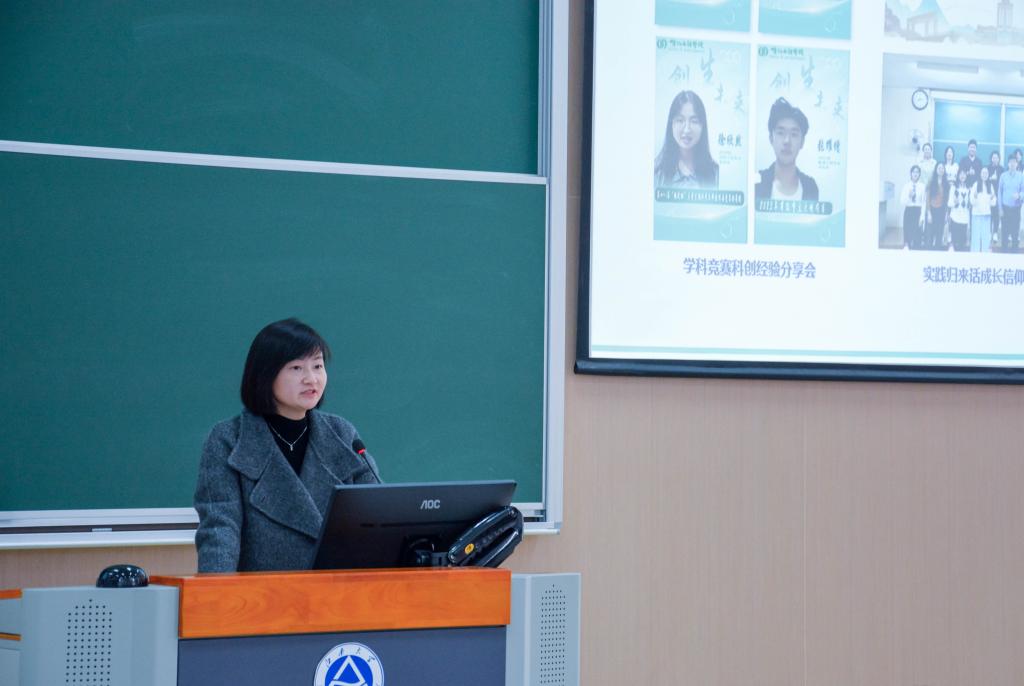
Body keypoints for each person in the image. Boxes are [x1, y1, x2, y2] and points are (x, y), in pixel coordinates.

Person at [194, 318, 382, 572]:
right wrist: (217, 591)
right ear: (265, 375)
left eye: (317, 366)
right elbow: (220, 529)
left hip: (339, 589)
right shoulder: (229, 439)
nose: (311, 379)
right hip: (265, 592)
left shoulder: (342, 433)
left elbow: (377, 517)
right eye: (296, 368)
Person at [755, 97, 819, 201]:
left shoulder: (810, 187)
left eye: (794, 134)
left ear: (802, 142)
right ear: (771, 138)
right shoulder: (757, 183)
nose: (787, 141)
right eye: (781, 133)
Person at [654, 90, 719, 189]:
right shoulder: (657, 173)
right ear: (671, 124)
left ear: (703, 126)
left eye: (694, 121)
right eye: (680, 120)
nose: (687, 129)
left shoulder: (716, 174)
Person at [998, 155, 1024, 253]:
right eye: (1010, 162)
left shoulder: (1021, 176)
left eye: (1014, 162)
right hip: (1005, 209)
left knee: (1015, 234)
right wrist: (1000, 208)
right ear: (1008, 164)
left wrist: (1019, 195)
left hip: (1016, 209)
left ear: (1017, 164)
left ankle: (1014, 257)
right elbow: (999, 193)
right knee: (1004, 234)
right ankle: (1003, 257)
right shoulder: (1003, 176)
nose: (1012, 164)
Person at [899, 164, 926, 249]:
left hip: (918, 211)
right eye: (914, 172)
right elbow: (902, 202)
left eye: (917, 172)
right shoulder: (906, 186)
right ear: (910, 173)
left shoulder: (922, 186)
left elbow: (924, 202)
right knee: (908, 234)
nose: (915, 174)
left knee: (917, 236)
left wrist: (922, 217)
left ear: (919, 174)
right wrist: (909, 196)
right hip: (909, 211)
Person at [970, 166, 996, 253]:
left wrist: (992, 198)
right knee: (975, 237)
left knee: (986, 237)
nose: (984, 175)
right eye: (983, 173)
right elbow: (972, 201)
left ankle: (985, 255)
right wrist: (975, 197)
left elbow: (993, 203)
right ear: (980, 174)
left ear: (988, 175)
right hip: (976, 215)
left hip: (986, 215)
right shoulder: (975, 184)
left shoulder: (990, 186)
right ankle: (974, 256)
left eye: (986, 173)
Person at [924, 162, 949, 250]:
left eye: (942, 168)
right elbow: (927, 199)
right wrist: (929, 213)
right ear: (936, 170)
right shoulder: (931, 182)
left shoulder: (946, 184)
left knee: (939, 235)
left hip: (941, 211)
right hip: (931, 210)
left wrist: (946, 214)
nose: (941, 170)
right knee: (929, 236)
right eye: (939, 168)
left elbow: (947, 201)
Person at [947, 168, 971, 252]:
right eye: (961, 174)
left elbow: (970, 203)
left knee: (962, 241)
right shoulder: (954, 187)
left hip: (964, 217)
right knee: (955, 241)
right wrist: (954, 202)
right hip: (955, 216)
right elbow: (949, 203)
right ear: (958, 176)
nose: (962, 176)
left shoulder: (969, 188)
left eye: (964, 174)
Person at [988, 150, 1003, 245]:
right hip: (989, 195)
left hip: (998, 195)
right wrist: (991, 178)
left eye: (996, 157)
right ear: (991, 159)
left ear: (999, 159)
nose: (995, 159)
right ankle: (989, 232)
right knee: (989, 214)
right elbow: (984, 179)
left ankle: (995, 233)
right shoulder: (987, 168)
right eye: (993, 157)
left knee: (996, 215)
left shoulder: (1002, 169)